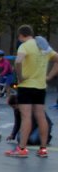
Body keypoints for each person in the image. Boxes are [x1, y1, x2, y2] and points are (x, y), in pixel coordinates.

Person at [5, 25, 58, 158]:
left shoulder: (25, 46)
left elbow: (18, 61)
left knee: (26, 117)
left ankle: (22, 149)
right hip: (40, 87)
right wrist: (49, 76)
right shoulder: (44, 47)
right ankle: (43, 149)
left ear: (20, 35)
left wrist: (20, 77)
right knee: (41, 116)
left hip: (26, 86)